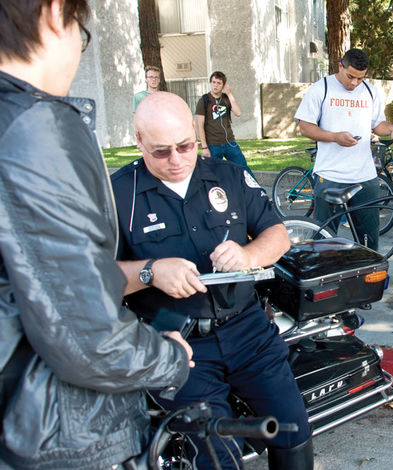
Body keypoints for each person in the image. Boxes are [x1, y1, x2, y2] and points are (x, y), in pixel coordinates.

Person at [0, 2, 193, 469]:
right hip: (50, 432)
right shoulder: (35, 130)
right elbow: (87, 337)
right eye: (80, 31)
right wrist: (168, 358)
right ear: (53, 13)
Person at [111, 91, 312, 470]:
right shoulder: (118, 195)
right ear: (139, 141)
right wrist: (150, 272)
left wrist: (249, 255)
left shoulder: (229, 176)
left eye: (185, 146)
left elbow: (278, 236)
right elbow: (93, 279)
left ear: (194, 130)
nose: (176, 160)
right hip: (177, 343)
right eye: (160, 151)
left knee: (293, 431)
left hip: (248, 330)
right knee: (216, 454)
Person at [294, 48, 393, 252]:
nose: (354, 83)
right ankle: (324, 279)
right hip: (330, 175)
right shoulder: (321, 89)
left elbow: (377, 125)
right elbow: (305, 127)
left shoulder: (370, 91)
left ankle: (367, 280)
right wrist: (334, 137)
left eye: (360, 78)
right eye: (350, 76)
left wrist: (391, 128)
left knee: (368, 241)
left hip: (364, 176)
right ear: (340, 65)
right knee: (324, 240)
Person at [195, 71, 249, 169]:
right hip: (213, 145)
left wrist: (229, 93)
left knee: (243, 170)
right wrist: (204, 147)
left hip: (230, 143)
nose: (215, 85)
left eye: (219, 83)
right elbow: (200, 126)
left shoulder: (226, 98)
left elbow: (238, 113)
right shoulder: (204, 100)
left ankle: (252, 185)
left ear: (223, 85)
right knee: (213, 173)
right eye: (213, 82)